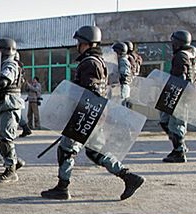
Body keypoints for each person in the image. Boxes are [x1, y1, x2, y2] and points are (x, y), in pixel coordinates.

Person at [40, 26, 145, 201]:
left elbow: (90, 92)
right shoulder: (99, 60)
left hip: (86, 115)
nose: (77, 46)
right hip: (95, 115)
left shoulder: (90, 62)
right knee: (96, 152)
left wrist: (76, 117)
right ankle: (129, 177)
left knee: (66, 150)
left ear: (87, 43)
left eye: (79, 42)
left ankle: (62, 188)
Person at [0, 38, 25, 183]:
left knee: (6, 138)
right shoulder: (0, 64)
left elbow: (4, 80)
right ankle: (14, 160)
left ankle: (11, 170)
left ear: (5, 50)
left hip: (9, 105)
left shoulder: (10, 64)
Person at [160, 30, 196, 163]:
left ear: (178, 42)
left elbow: (181, 77)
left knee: (176, 124)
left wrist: (174, 95)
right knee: (164, 121)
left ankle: (179, 152)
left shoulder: (181, 56)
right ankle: (178, 147)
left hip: (180, 94)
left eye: (173, 41)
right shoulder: (189, 55)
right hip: (181, 93)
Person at [112, 41, 132, 107]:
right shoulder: (120, 60)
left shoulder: (123, 61)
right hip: (122, 88)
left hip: (122, 88)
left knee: (121, 107)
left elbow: (123, 74)